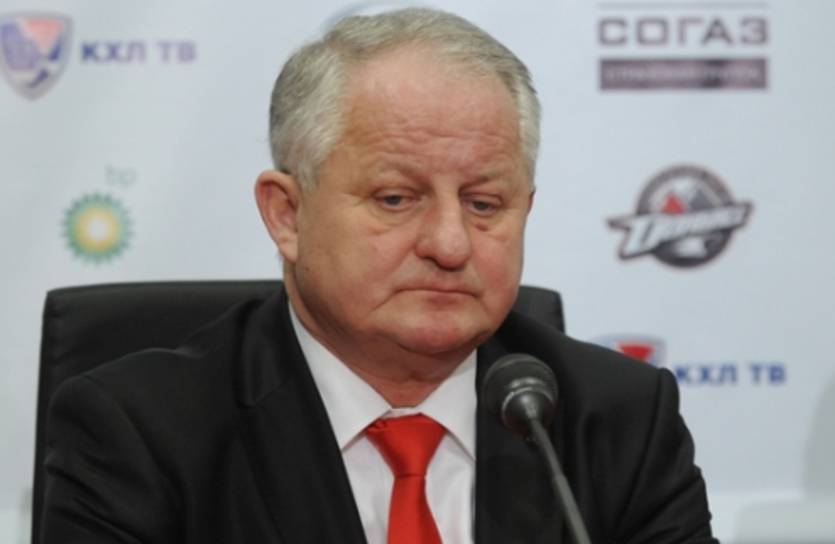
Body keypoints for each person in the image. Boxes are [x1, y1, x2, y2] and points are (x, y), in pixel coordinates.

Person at [41, 8, 717, 544]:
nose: (450, 243)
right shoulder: (141, 433)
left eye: (484, 204)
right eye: (396, 199)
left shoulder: (616, 419)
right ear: (287, 215)